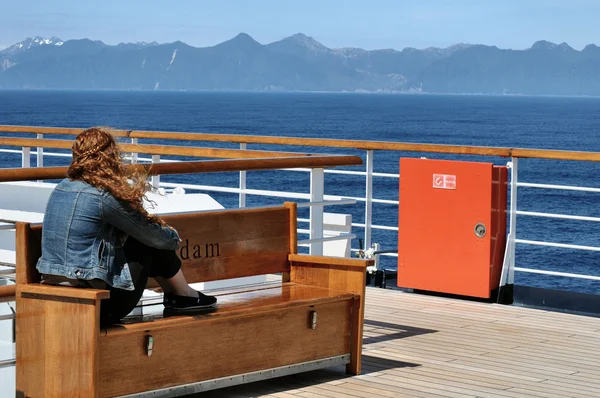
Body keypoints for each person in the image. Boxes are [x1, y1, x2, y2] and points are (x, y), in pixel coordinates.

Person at [36, 127, 217, 323]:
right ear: (108, 158)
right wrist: (173, 237)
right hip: (96, 305)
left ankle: (181, 295)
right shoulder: (101, 195)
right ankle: (183, 294)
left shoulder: (60, 189)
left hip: (54, 296)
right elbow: (156, 237)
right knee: (148, 242)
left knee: (142, 239)